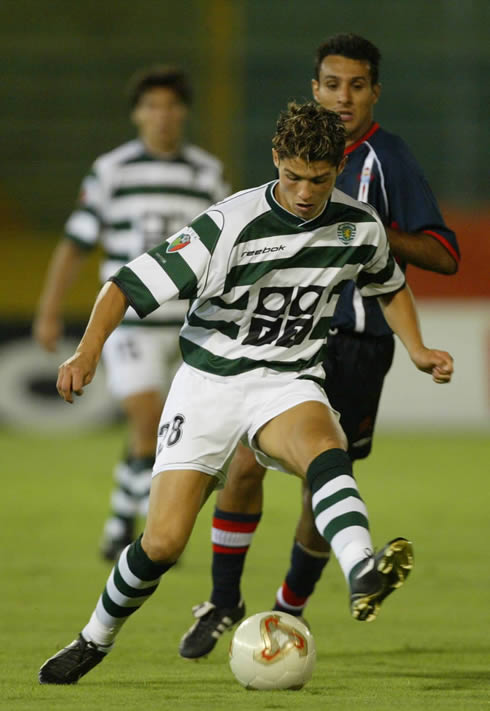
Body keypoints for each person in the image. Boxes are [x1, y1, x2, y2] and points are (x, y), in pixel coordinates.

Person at [39, 100, 453, 685]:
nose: (306, 192)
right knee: (161, 542)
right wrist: (86, 352)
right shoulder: (227, 225)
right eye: (293, 176)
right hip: (209, 385)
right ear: (276, 160)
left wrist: (416, 348)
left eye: (320, 178)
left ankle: (362, 568)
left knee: (325, 448)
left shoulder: (358, 225)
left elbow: (389, 283)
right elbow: (124, 286)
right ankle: (94, 638)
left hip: (287, 380)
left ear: (338, 167)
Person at [179, 33, 460, 660]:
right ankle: (224, 601)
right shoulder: (303, 157)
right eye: (332, 84)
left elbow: (444, 254)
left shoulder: (387, 160)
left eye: (357, 85)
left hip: (356, 346)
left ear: (374, 92)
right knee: (244, 467)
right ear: (315, 89)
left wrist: (367, 232)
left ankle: (288, 614)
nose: (343, 96)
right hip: (282, 344)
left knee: (321, 487)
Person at [33, 66, 229, 561]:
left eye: (171, 106)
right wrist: (49, 310)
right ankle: (152, 536)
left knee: (163, 431)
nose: (162, 116)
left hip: (189, 325)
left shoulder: (205, 173)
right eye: (152, 106)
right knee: (149, 422)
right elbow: (76, 243)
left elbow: (226, 246)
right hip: (132, 322)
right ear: (137, 114)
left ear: (183, 113)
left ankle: (121, 520)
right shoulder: (112, 170)